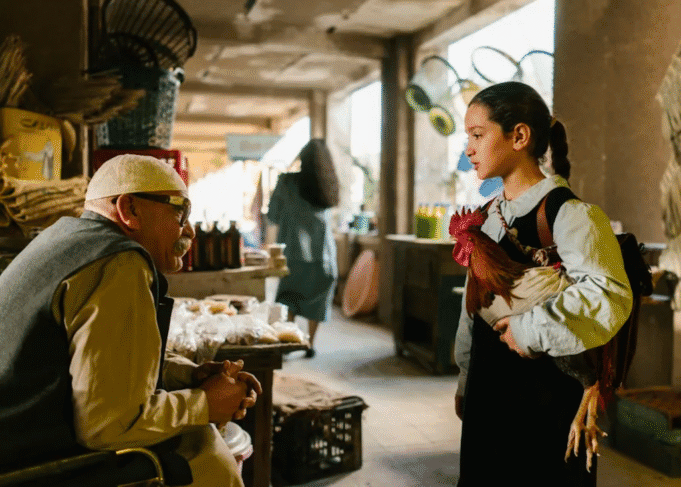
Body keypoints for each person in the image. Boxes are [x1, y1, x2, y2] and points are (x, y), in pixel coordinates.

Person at [0, 154, 262, 487]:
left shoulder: (62, 238)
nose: (190, 230)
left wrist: (187, 374)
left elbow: (92, 363)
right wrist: (205, 404)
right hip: (29, 463)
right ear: (129, 210)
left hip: (18, 441)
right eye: (180, 212)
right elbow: (105, 426)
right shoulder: (120, 263)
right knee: (207, 454)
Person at [454, 82, 633, 486]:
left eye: (478, 136)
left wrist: (528, 329)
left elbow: (609, 295)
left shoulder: (571, 216)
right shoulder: (485, 217)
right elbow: (473, 309)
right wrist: (466, 378)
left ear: (519, 136)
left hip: (545, 399)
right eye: (468, 137)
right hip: (489, 395)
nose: (469, 149)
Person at [267, 139, 339, 358]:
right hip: (324, 256)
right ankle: (309, 343)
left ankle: (289, 341)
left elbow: (273, 216)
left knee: (289, 298)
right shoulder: (328, 186)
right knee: (318, 300)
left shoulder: (287, 182)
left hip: (294, 254)